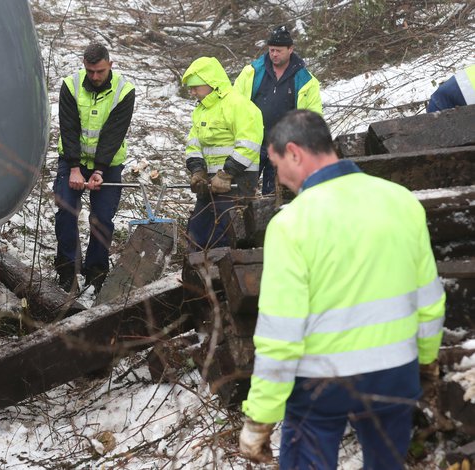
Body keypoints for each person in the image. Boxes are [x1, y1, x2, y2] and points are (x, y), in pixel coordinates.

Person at [238, 110, 446, 469]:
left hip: (321, 386)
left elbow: (280, 334)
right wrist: (426, 364)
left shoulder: (291, 223)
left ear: (294, 153)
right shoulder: (401, 201)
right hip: (395, 373)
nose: (279, 177)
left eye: (275, 165)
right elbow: (429, 301)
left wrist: (260, 417)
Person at [54, 43, 135, 292]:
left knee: (102, 219)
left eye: (100, 71)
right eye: (90, 71)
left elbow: (113, 134)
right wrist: (75, 168)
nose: (95, 76)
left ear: (110, 65)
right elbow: (69, 128)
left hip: (108, 164)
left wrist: (99, 170)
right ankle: (67, 269)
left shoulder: (124, 91)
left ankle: (96, 272)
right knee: (66, 212)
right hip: (72, 159)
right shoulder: (71, 85)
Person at [182, 56, 263, 251]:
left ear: (212, 84)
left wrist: (227, 173)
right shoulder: (200, 110)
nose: (192, 92)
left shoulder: (238, 105)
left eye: (196, 87)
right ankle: (199, 274)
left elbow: (249, 144)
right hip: (210, 183)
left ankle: (225, 276)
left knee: (227, 234)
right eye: (190, 88)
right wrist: (197, 171)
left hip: (238, 181)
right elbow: (193, 144)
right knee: (198, 231)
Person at [233, 25, 322, 195]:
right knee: (241, 195)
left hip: (283, 147)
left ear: (290, 49)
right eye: (271, 50)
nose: (274, 54)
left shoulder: (306, 80)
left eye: (278, 50)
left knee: (275, 197)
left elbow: (314, 116)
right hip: (252, 143)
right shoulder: (251, 72)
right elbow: (235, 103)